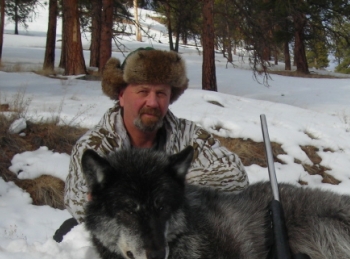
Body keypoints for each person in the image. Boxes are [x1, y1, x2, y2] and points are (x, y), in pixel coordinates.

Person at [61, 47, 249, 229]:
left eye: (161, 93)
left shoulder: (190, 134)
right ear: (121, 95)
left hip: (182, 231)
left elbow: (236, 177)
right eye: (143, 91)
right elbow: (79, 202)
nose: (152, 102)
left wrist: (168, 184)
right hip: (128, 237)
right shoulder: (94, 146)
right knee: (67, 230)